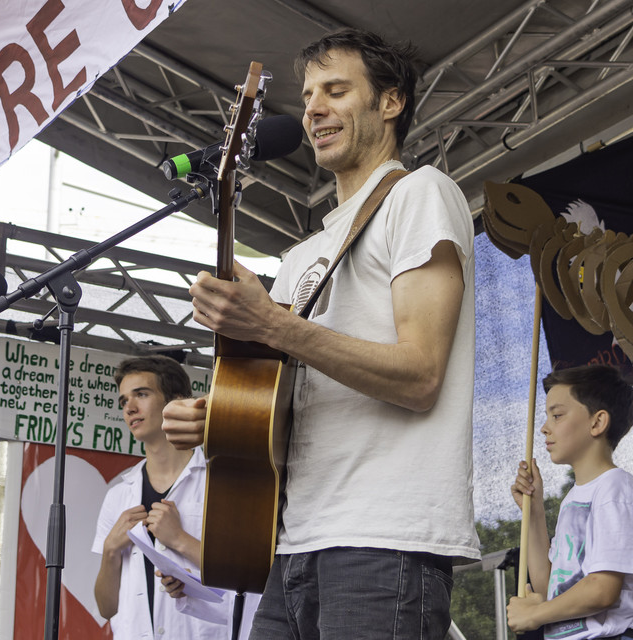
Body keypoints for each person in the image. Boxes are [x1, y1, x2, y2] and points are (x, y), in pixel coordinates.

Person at [161, 28, 480, 639]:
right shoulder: (302, 256)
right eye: (308, 96)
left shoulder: (420, 193)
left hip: (385, 538)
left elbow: (420, 375)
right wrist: (221, 417)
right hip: (292, 544)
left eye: (336, 90)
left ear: (391, 102)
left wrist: (271, 323)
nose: (313, 109)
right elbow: (282, 405)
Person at [92, 355, 252, 639]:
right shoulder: (118, 495)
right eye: (123, 400)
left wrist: (179, 539)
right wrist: (110, 551)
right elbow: (107, 609)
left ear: (177, 403)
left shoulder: (223, 484)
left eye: (141, 394)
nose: (129, 408)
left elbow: (248, 580)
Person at [507, 364, 633, 639]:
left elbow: (601, 590)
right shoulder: (573, 499)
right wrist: (534, 513)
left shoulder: (615, 490)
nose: (544, 429)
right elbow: (552, 590)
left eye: (557, 415)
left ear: (597, 423)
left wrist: (534, 614)